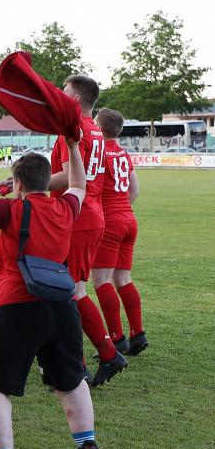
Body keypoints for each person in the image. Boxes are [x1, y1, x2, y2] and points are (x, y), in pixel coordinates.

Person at [0, 144, 101, 449]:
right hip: (62, 306)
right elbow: (79, 184)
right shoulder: (66, 207)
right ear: (48, 182)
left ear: (18, 183)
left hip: (17, 306)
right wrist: (73, 145)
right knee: (71, 380)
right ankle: (88, 447)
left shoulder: (12, 210)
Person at [49, 75, 127, 386]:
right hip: (91, 214)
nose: (59, 95)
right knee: (69, 291)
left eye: (64, 92)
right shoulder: (95, 129)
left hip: (77, 216)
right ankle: (84, 359)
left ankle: (96, 358)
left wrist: (28, 184)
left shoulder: (73, 129)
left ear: (76, 99)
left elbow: (69, 176)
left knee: (71, 292)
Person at [91, 108, 147, 355]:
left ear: (99, 128)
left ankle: (117, 338)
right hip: (128, 219)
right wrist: (121, 209)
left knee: (101, 281)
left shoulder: (98, 151)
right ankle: (138, 334)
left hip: (110, 221)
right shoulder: (123, 153)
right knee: (123, 279)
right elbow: (134, 190)